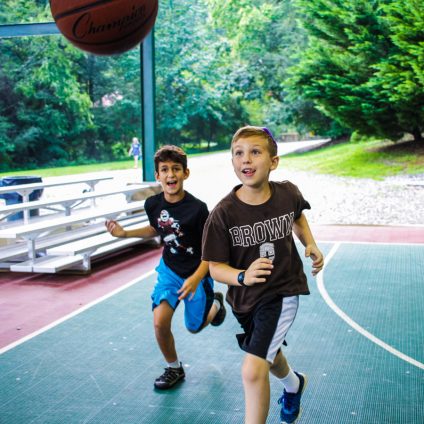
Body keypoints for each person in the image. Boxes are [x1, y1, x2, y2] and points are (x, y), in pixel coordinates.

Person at [201, 126, 324, 424]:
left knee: (252, 369)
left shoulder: (287, 193)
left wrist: (310, 243)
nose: (247, 159)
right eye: (239, 153)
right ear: (232, 161)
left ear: (273, 161)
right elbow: (216, 268)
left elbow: (298, 216)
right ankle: (294, 384)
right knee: (268, 356)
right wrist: (243, 276)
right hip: (244, 300)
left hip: (282, 292)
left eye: (256, 152)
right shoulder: (222, 215)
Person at [106, 145, 226, 390]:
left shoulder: (198, 209)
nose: (171, 175)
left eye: (176, 169)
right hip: (169, 270)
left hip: (196, 274)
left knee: (195, 327)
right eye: (165, 170)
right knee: (160, 322)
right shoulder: (152, 204)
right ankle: (174, 368)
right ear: (157, 175)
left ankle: (215, 304)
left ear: (186, 173)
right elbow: (156, 229)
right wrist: (125, 233)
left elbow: (210, 250)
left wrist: (195, 279)